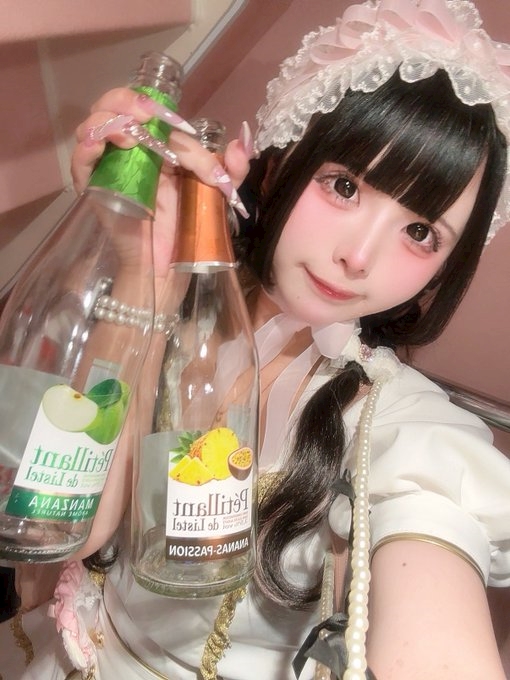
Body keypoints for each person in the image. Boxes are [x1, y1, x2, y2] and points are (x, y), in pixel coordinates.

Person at [3, 0, 510, 678]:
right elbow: (60, 526)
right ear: (279, 164)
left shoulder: (401, 423)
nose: (359, 257)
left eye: (421, 232)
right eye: (344, 186)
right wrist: (142, 273)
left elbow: (437, 607)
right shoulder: (163, 309)